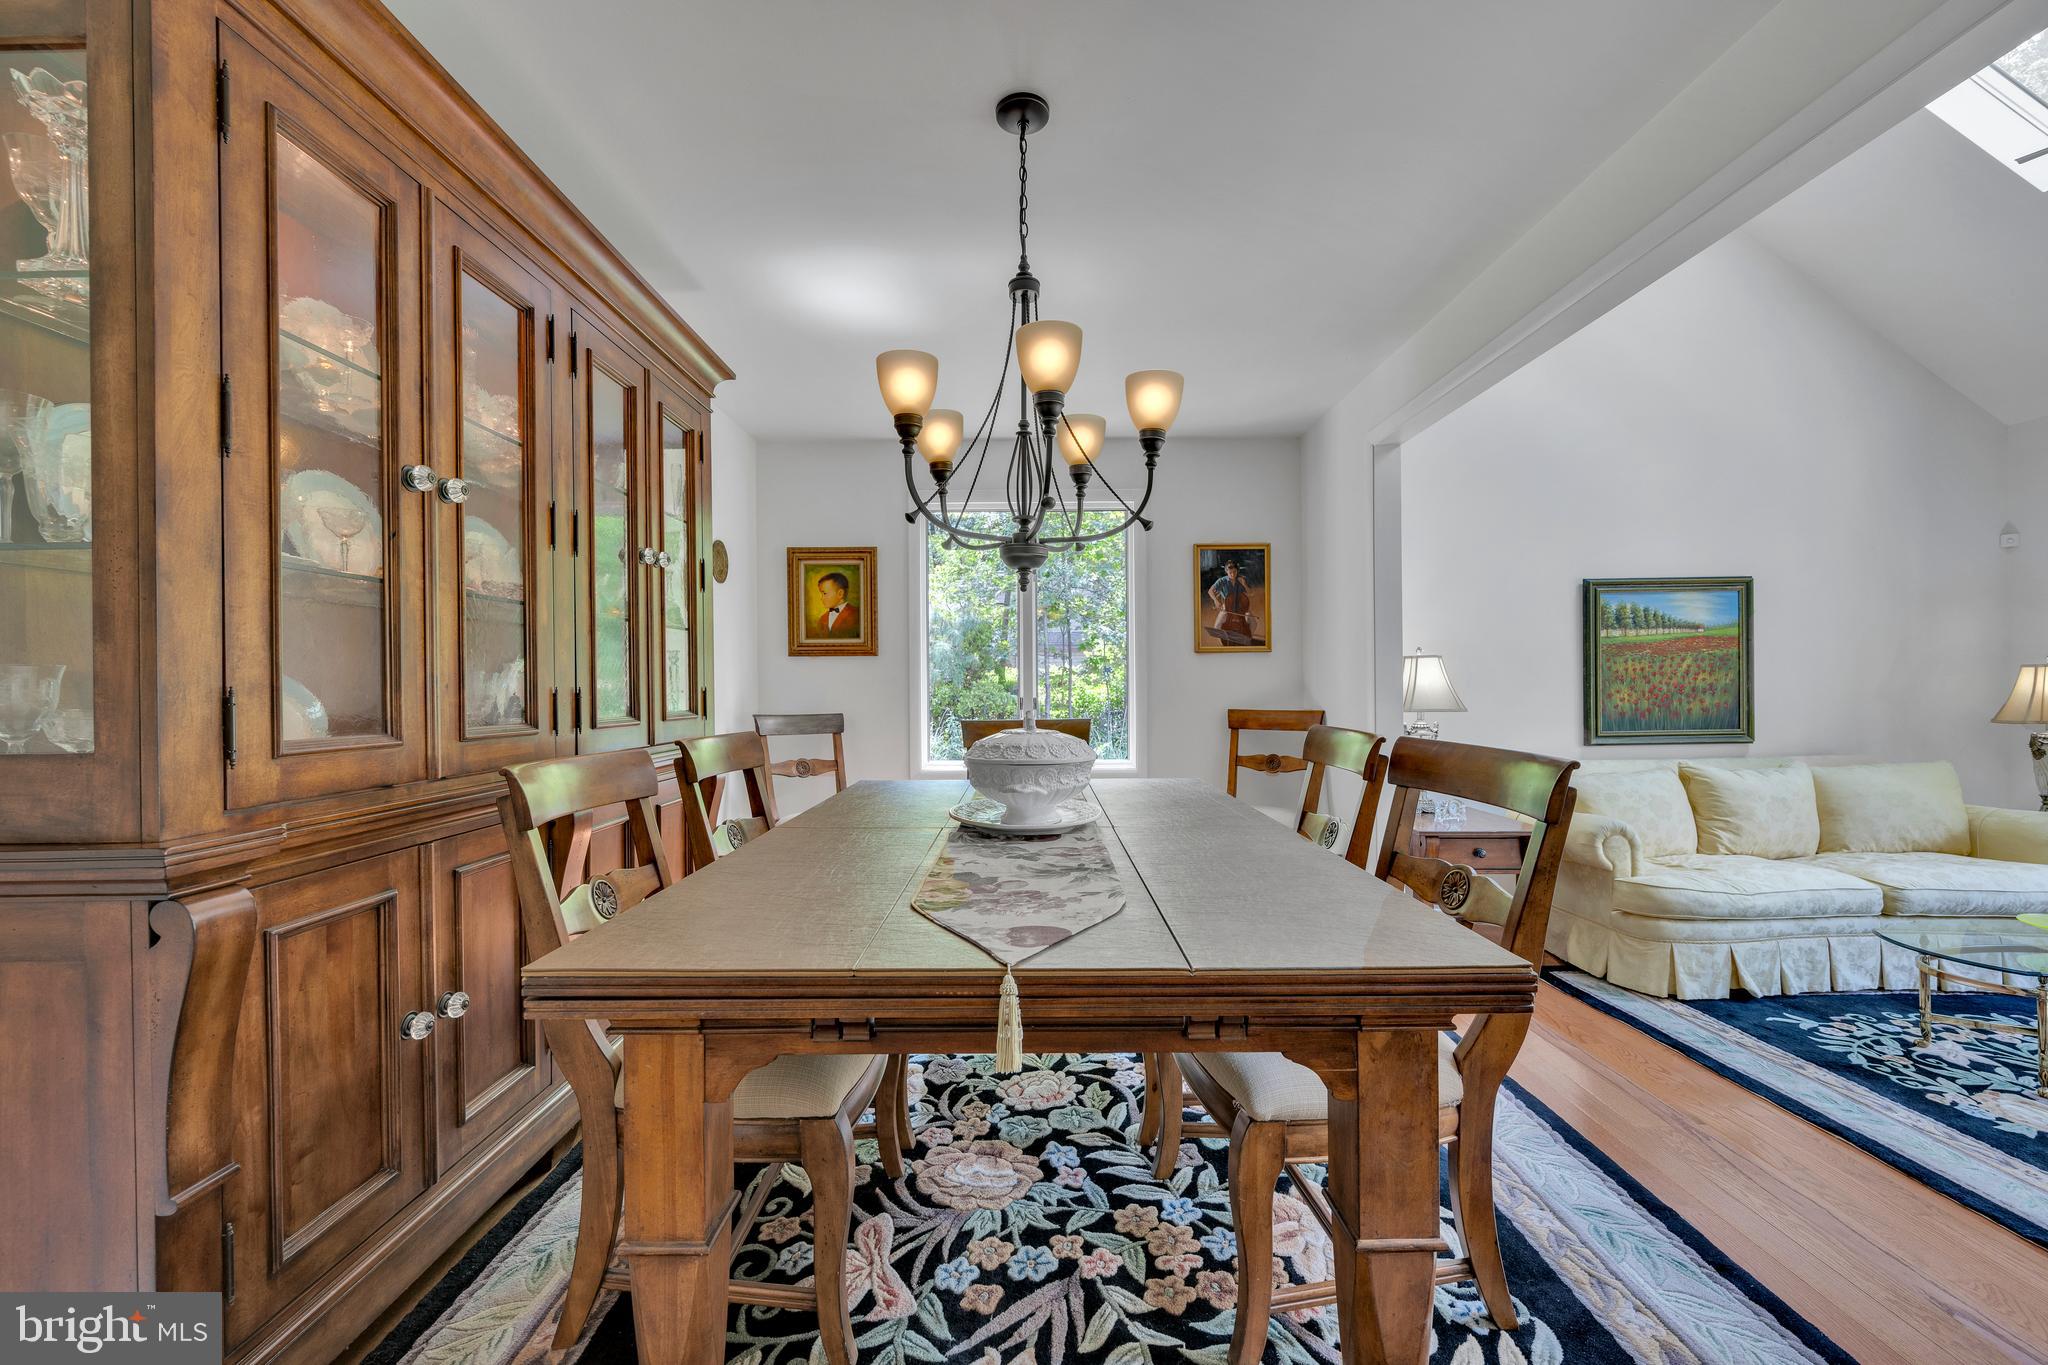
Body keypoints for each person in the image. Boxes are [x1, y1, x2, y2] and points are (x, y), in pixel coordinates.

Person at [1206, 559, 1260, 643]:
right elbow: (1210, 591)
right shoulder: (1222, 581)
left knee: (1254, 623)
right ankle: (1224, 642)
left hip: (1241, 607)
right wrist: (1216, 601)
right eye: (1230, 572)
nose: (1232, 574)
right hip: (1227, 606)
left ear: (1237, 571)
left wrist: (1244, 584)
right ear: (1226, 571)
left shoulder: (1241, 580)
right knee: (1217, 627)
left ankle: (1246, 639)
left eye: (1234, 572)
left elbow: (1251, 593)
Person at [814, 571, 861, 638]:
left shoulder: (857, 615)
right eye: (821, 594)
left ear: (840, 594)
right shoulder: (822, 619)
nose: (821, 598)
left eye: (824, 593)